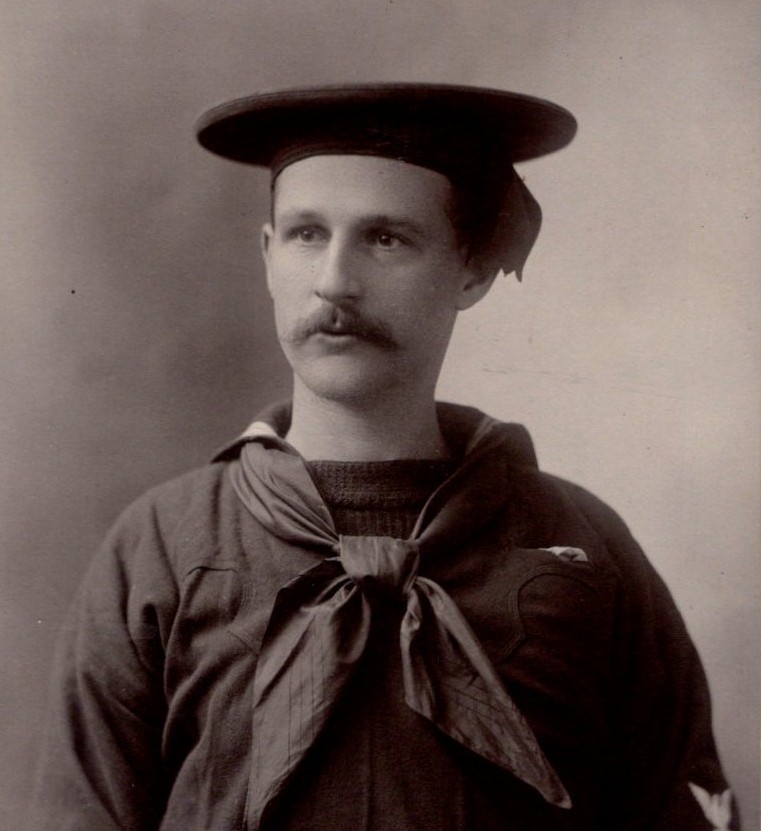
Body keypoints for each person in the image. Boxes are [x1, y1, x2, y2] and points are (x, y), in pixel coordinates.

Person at [29, 84, 738, 831]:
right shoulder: (162, 545)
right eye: (307, 234)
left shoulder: (581, 542)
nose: (335, 281)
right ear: (268, 257)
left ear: (471, 270)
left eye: (386, 238)